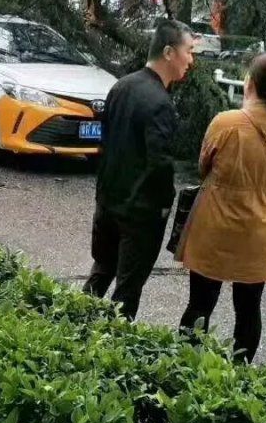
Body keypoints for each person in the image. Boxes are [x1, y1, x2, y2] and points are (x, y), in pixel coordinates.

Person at [177, 52, 266, 363]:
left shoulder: (225, 122)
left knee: (200, 303)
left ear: (249, 83)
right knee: (249, 308)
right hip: (261, 229)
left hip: (216, 224)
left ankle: (185, 368)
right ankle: (240, 376)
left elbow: (203, 167)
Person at [83, 19, 196, 319]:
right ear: (169, 52)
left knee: (101, 272)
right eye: (189, 51)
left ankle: (71, 330)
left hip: (107, 203)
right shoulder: (160, 103)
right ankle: (112, 349)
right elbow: (159, 163)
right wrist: (162, 204)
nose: (191, 60)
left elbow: (104, 144)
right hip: (139, 214)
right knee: (127, 291)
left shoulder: (121, 86)